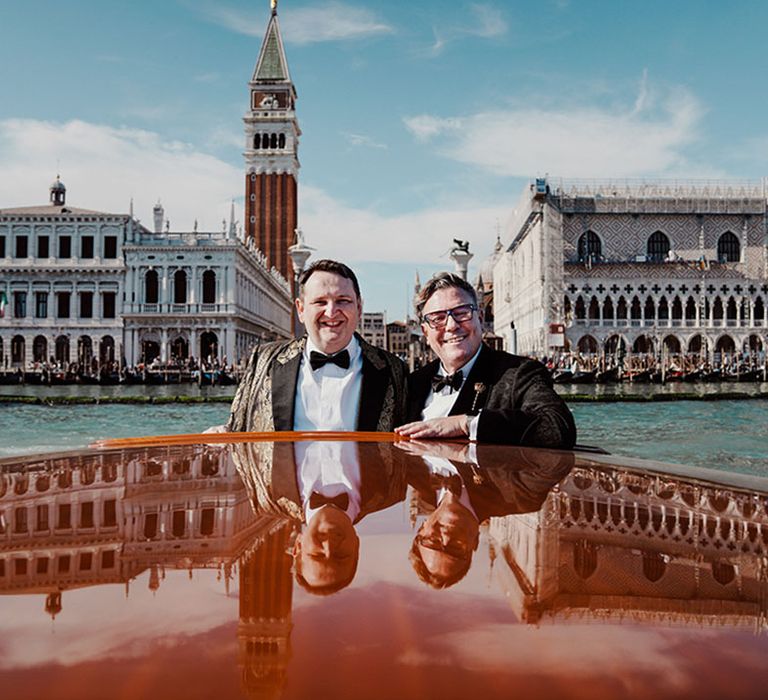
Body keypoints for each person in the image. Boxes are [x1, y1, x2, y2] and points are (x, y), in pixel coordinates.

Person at [395, 272, 576, 448]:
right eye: (438, 318)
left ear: (480, 318)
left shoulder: (518, 373)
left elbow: (557, 427)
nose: (451, 326)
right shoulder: (412, 384)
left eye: (462, 312)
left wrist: (465, 423)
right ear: (425, 332)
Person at [227, 259, 407, 433]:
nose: (331, 312)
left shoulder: (394, 370)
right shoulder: (264, 361)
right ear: (301, 310)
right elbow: (236, 430)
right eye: (320, 302)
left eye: (343, 300)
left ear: (359, 308)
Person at [231, 440, 406, 594]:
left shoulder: (264, 495)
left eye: (316, 555)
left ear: (297, 546)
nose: (329, 546)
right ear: (356, 546)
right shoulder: (393, 488)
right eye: (341, 556)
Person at [401, 440, 574, 589]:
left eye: (433, 542)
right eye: (455, 549)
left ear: (421, 530)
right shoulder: (518, 497)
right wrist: (467, 424)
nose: (446, 537)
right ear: (474, 543)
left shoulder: (410, 472)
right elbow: (557, 460)